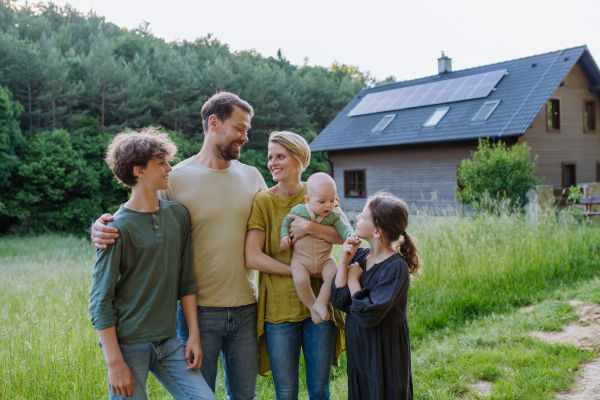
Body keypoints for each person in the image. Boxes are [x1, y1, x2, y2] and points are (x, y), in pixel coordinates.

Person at [91, 92, 267, 400]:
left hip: (241, 308)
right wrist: (99, 227)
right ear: (214, 123)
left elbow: (281, 211)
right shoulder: (176, 179)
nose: (245, 136)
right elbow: (138, 211)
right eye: (240, 128)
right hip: (193, 314)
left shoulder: (251, 177)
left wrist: (321, 209)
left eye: (247, 129)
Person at [88, 129, 216, 400]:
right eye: (161, 163)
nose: (169, 168)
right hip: (128, 344)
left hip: (169, 342)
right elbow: (100, 302)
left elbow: (186, 280)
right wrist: (115, 364)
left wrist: (193, 334)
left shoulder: (178, 215)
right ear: (139, 171)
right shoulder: (116, 228)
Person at [245, 131, 347, 400]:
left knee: (319, 390)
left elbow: (345, 235)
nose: (272, 163)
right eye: (270, 157)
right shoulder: (264, 201)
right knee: (286, 393)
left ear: (301, 158)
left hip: (320, 306)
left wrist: (311, 227)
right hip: (279, 309)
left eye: (281, 156)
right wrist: (298, 270)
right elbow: (252, 257)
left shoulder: (320, 191)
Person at [330, 191, 420, 400]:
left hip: (384, 352)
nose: (358, 218)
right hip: (360, 350)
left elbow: (368, 313)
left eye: (363, 216)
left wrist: (353, 281)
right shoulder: (360, 256)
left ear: (378, 232)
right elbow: (339, 300)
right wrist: (344, 260)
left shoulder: (395, 267)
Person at [280, 172, 353, 323]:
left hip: (324, 259)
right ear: (308, 199)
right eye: (322, 202)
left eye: (332, 200)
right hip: (301, 260)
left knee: (332, 275)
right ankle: (312, 306)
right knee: (300, 280)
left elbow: (344, 229)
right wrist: (284, 236)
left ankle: (321, 302)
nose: (328, 205)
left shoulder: (333, 216)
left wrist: (350, 235)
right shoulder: (299, 210)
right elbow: (286, 222)